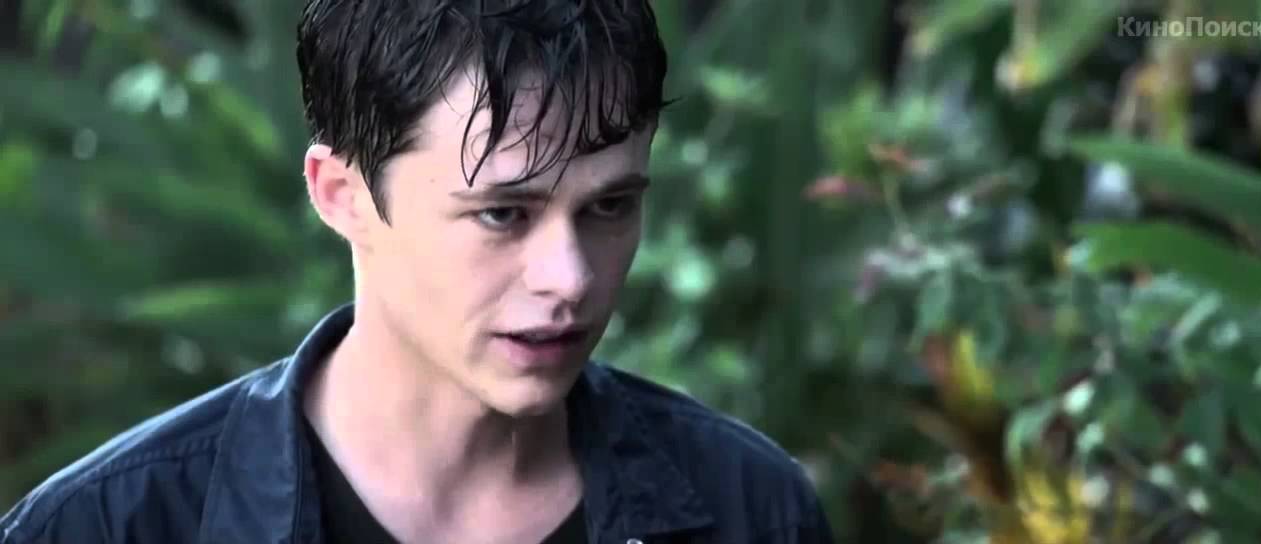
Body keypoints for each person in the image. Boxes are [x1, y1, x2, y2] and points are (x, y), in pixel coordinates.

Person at [1, 1, 835, 543]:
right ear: (343, 196)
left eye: (610, 206)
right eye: (503, 214)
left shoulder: (749, 509)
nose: (571, 278)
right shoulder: (111, 526)